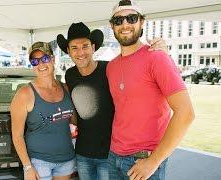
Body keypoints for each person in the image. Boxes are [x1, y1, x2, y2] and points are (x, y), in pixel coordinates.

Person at [56, 22, 168, 180]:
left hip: (109, 154)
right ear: (68, 51)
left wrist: (163, 53)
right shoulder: (70, 75)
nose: (80, 52)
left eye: (85, 46)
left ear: (93, 48)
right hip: (82, 152)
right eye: (74, 47)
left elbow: (137, 77)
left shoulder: (109, 69)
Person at [106, 0, 195, 180]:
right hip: (114, 157)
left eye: (131, 18)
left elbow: (186, 113)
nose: (125, 25)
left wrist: (154, 161)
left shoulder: (157, 58)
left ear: (142, 22)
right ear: (112, 26)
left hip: (143, 161)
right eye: (118, 20)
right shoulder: (111, 67)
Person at [11, 42, 76, 180]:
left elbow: (73, 122)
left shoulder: (66, 89)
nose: (41, 64)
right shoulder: (24, 94)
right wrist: (27, 166)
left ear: (53, 59)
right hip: (39, 162)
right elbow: (17, 136)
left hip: (66, 160)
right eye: (35, 61)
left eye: (45, 59)